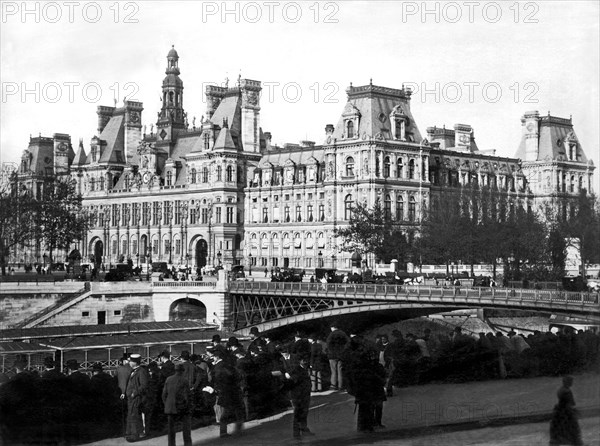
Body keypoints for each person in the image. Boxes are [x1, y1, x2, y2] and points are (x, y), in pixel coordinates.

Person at [284, 355, 314, 440]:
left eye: (307, 359)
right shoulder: (296, 370)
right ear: (300, 361)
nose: (306, 361)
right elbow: (291, 381)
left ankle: (304, 430)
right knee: (297, 414)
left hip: (305, 395)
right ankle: (296, 433)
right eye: (304, 360)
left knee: (304, 413)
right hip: (297, 396)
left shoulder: (305, 369)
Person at [163, 363, 192, 446]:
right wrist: (187, 405)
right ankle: (187, 444)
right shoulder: (184, 380)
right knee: (186, 429)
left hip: (170, 407)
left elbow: (164, 395)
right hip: (182, 407)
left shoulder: (168, 379)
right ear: (182, 371)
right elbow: (187, 395)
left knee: (171, 430)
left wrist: (167, 403)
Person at [549, 376, 583, 446]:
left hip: (559, 412)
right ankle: (576, 443)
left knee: (557, 431)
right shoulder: (567, 391)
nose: (572, 383)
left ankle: (556, 442)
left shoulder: (560, 389)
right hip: (566, 413)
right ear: (567, 382)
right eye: (571, 381)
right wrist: (572, 412)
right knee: (573, 429)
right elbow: (568, 404)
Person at [125, 354, 149, 442]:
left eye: (130, 361)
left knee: (134, 416)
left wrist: (134, 393)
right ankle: (130, 433)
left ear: (134, 362)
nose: (129, 363)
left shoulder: (141, 371)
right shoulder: (135, 371)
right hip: (132, 398)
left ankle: (134, 435)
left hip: (136, 398)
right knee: (131, 415)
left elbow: (144, 385)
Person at [326, 323, 349, 390]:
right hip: (341, 355)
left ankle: (333, 385)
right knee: (340, 371)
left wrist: (329, 352)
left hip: (332, 356)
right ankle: (340, 386)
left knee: (333, 371)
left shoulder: (331, 335)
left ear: (332, 328)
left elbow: (328, 345)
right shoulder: (343, 334)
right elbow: (347, 343)